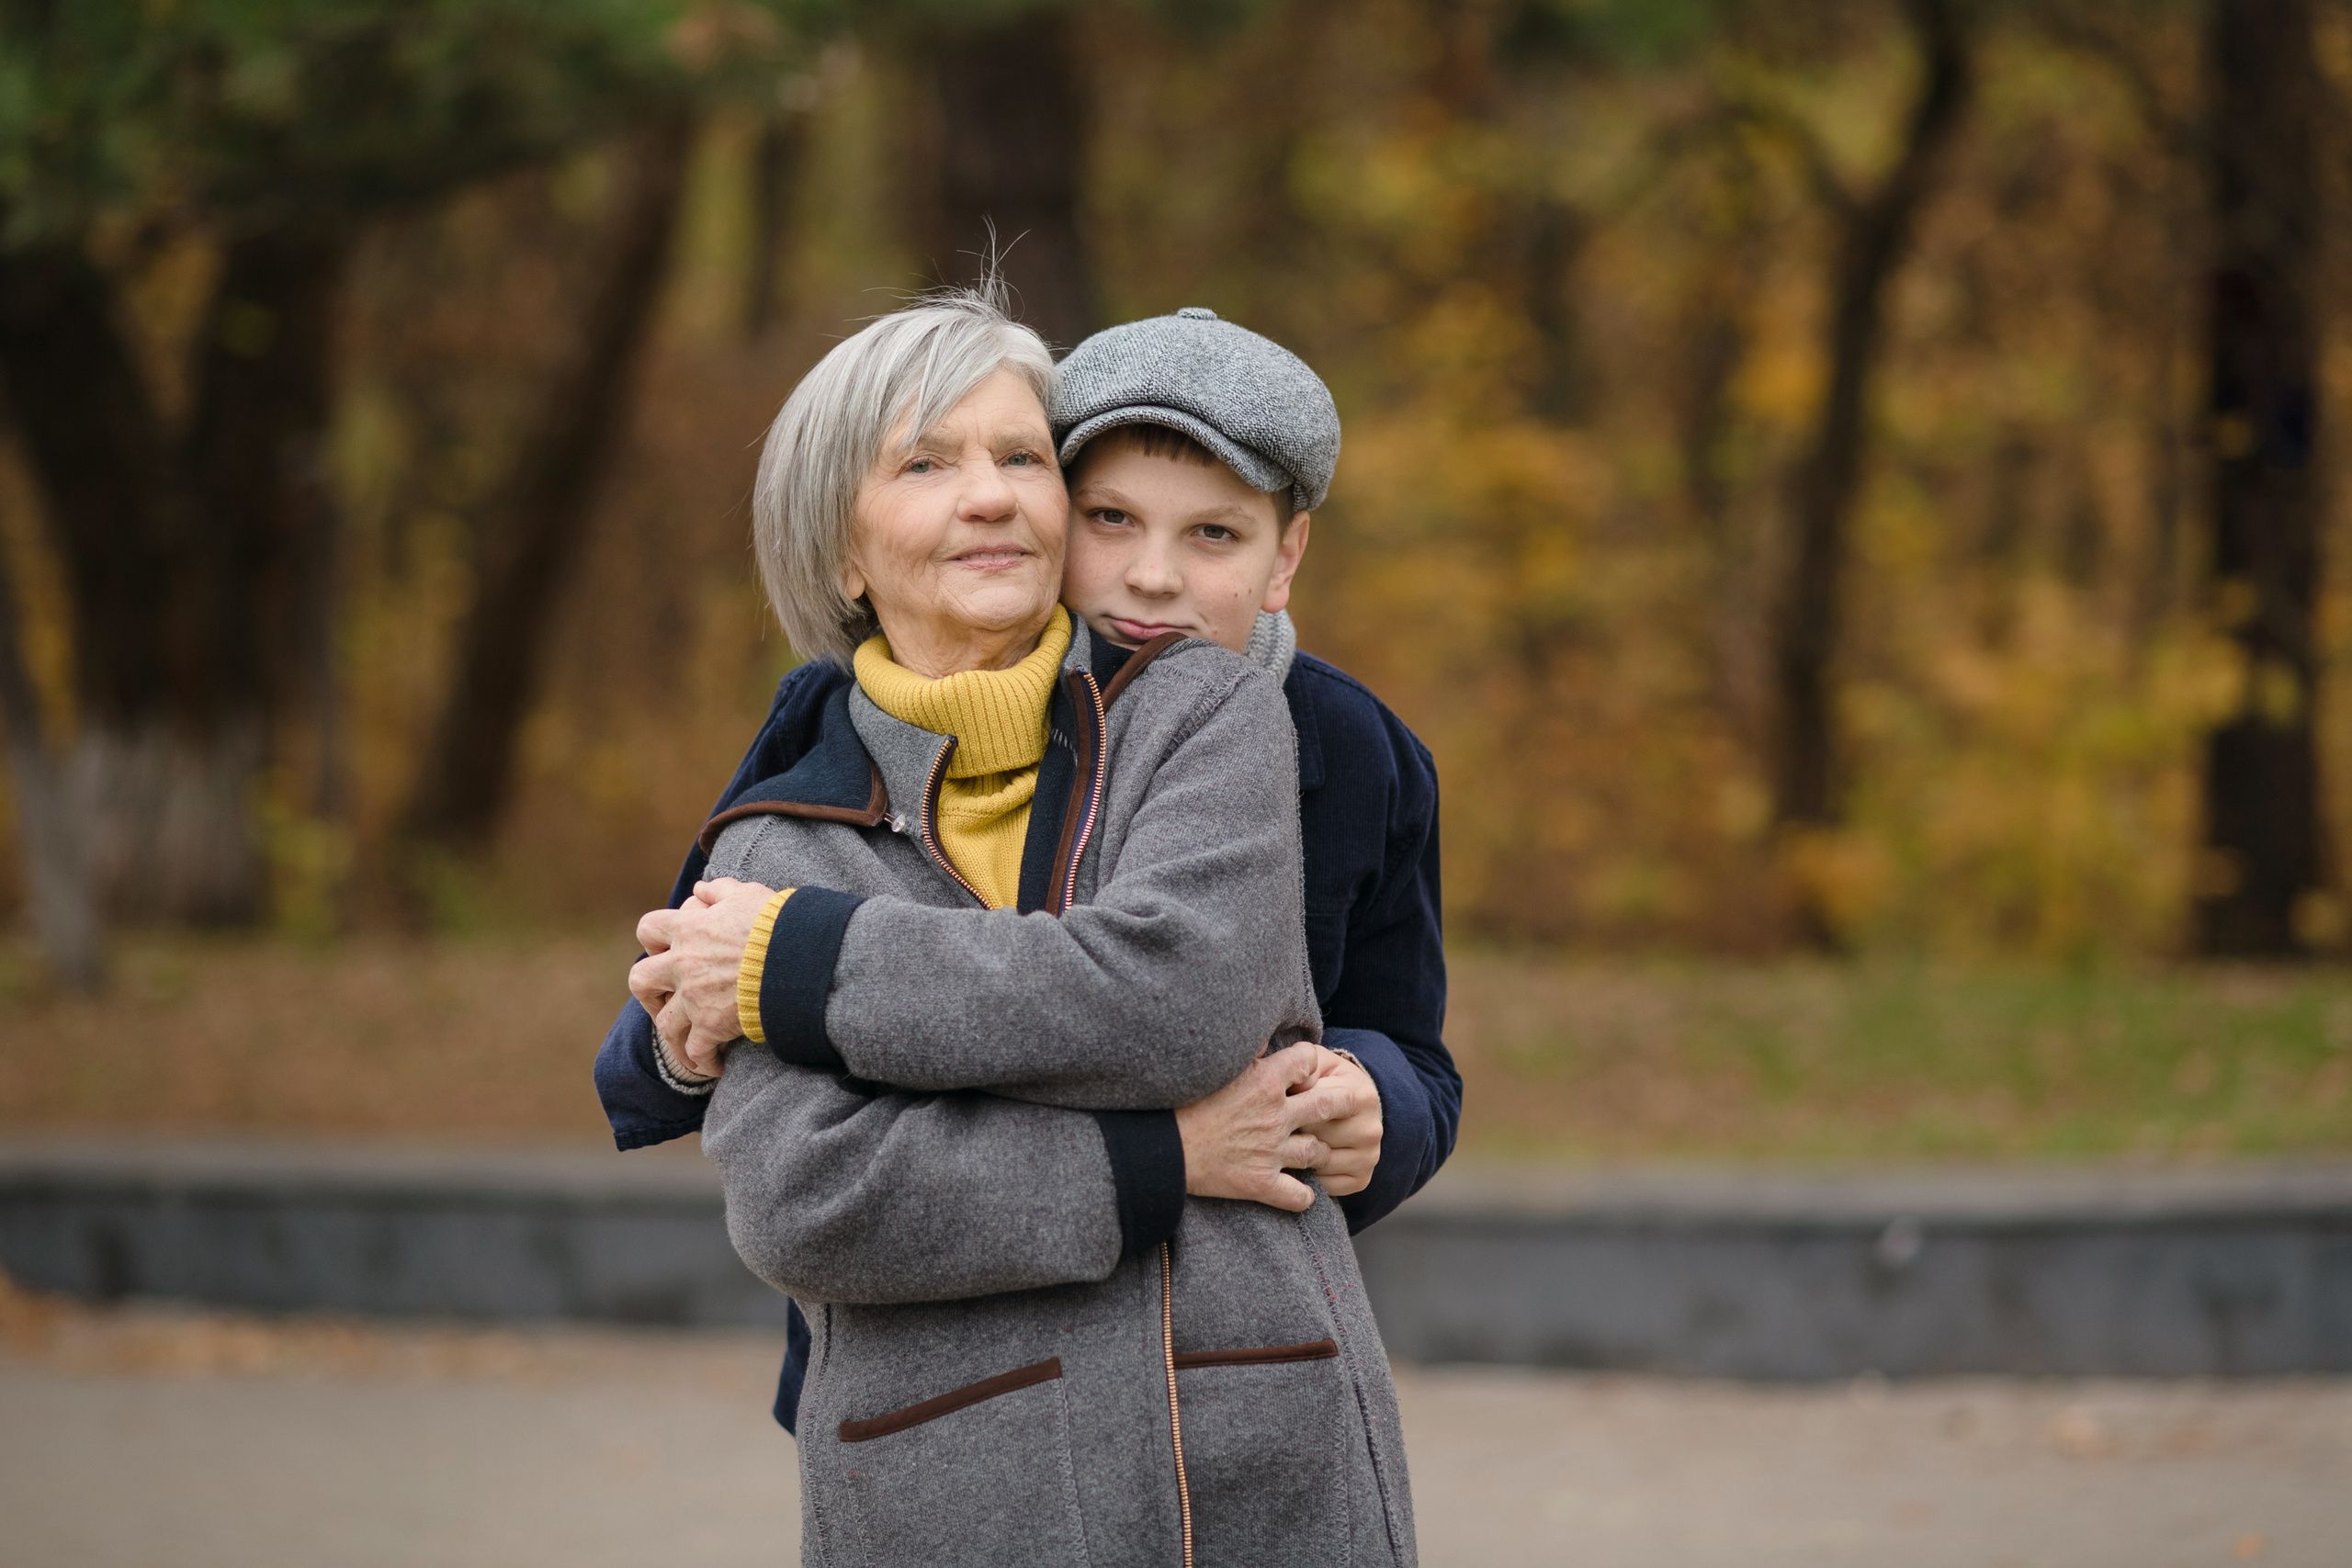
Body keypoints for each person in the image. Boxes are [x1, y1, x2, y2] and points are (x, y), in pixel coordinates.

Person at [614, 288, 1419, 1566]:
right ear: (840, 552)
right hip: (949, 1473)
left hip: (1249, 1441)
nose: (987, 493)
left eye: (1020, 456)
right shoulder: (775, 842)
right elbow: (808, 1205)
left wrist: (803, 966)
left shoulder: (1209, 713)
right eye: (926, 463)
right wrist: (1168, 1156)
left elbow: (1180, 1001)